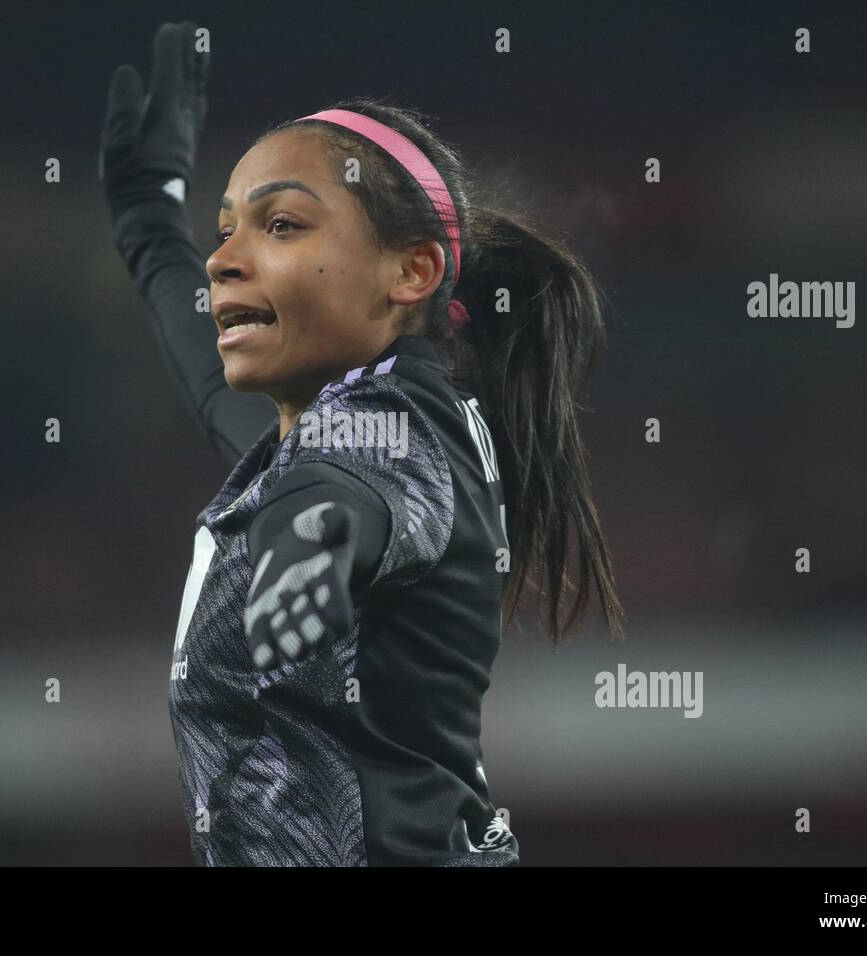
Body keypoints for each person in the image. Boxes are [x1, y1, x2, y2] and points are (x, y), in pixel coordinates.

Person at [101, 21, 625, 866]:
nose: (224, 259)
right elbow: (212, 384)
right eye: (225, 227)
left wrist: (307, 545)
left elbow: (351, 492)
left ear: (410, 272)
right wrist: (146, 208)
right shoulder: (362, 415)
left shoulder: (392, 429)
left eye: (281, 226)